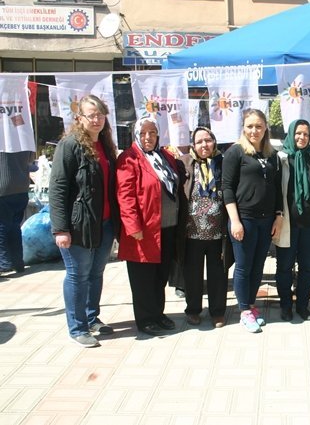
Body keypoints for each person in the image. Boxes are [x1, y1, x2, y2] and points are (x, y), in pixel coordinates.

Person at [49, 95, 119, 347]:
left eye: (100, 114)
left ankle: (91, 317)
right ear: (79, 118)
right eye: (91, 114)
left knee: (96, 273)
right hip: (78, 225)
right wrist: (60, 229)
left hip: (104, 223)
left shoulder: (105, 144)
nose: (97, 119)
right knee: (78, 274)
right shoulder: (69, 145)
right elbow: (58, 188)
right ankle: (77, 327)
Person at [116, 116, 180, 337]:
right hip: (143, 231)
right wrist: (133, 226)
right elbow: (125, 195)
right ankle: (145, 319)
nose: (148, 137)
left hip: (167, 228)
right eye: (143, 133)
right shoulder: (129, 158)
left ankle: (158, 313)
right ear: (136, 135)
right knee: (143, 278)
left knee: (160, 275)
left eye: (152, 132)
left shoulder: (165, 156)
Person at [222, 108, 283, 333]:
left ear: (266, 128)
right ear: (243, 128)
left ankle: (251, 304)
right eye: (250, 126)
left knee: (258, 266)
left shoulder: (272, 154)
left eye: (258, 126)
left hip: (266, 220)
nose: (254, 130)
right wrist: (235, 221)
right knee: (244, 266)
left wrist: (278, 216)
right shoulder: (235, 152)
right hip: (244, 219)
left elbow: (277, 188)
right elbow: (227, 188)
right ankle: (244, 310)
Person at [274, 119, 310, 322]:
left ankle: (303, 305)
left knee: (307, 267)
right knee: (284, 267)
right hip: (287, 224)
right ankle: (286, 305)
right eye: (298, 133)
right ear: (291, 134)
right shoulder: (280, 158)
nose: (302, 137)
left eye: (306, 134)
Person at [177, 127, 227, 328]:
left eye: (208, 140)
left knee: (218, 274)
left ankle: (217, 312)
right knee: (192, 274)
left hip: (217, 232)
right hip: (192, 232)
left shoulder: (222, 163)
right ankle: (193, 310)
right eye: (199, 142)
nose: (204, 145)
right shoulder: (184, 163)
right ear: (193, 145)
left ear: (214, 142)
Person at [0, 150, 34, 276]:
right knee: (14, 226)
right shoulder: (23, 140)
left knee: (2, 226)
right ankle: (17, 262)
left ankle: (3, 263)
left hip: (3, 188)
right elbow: (31, 160)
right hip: (22, 187)